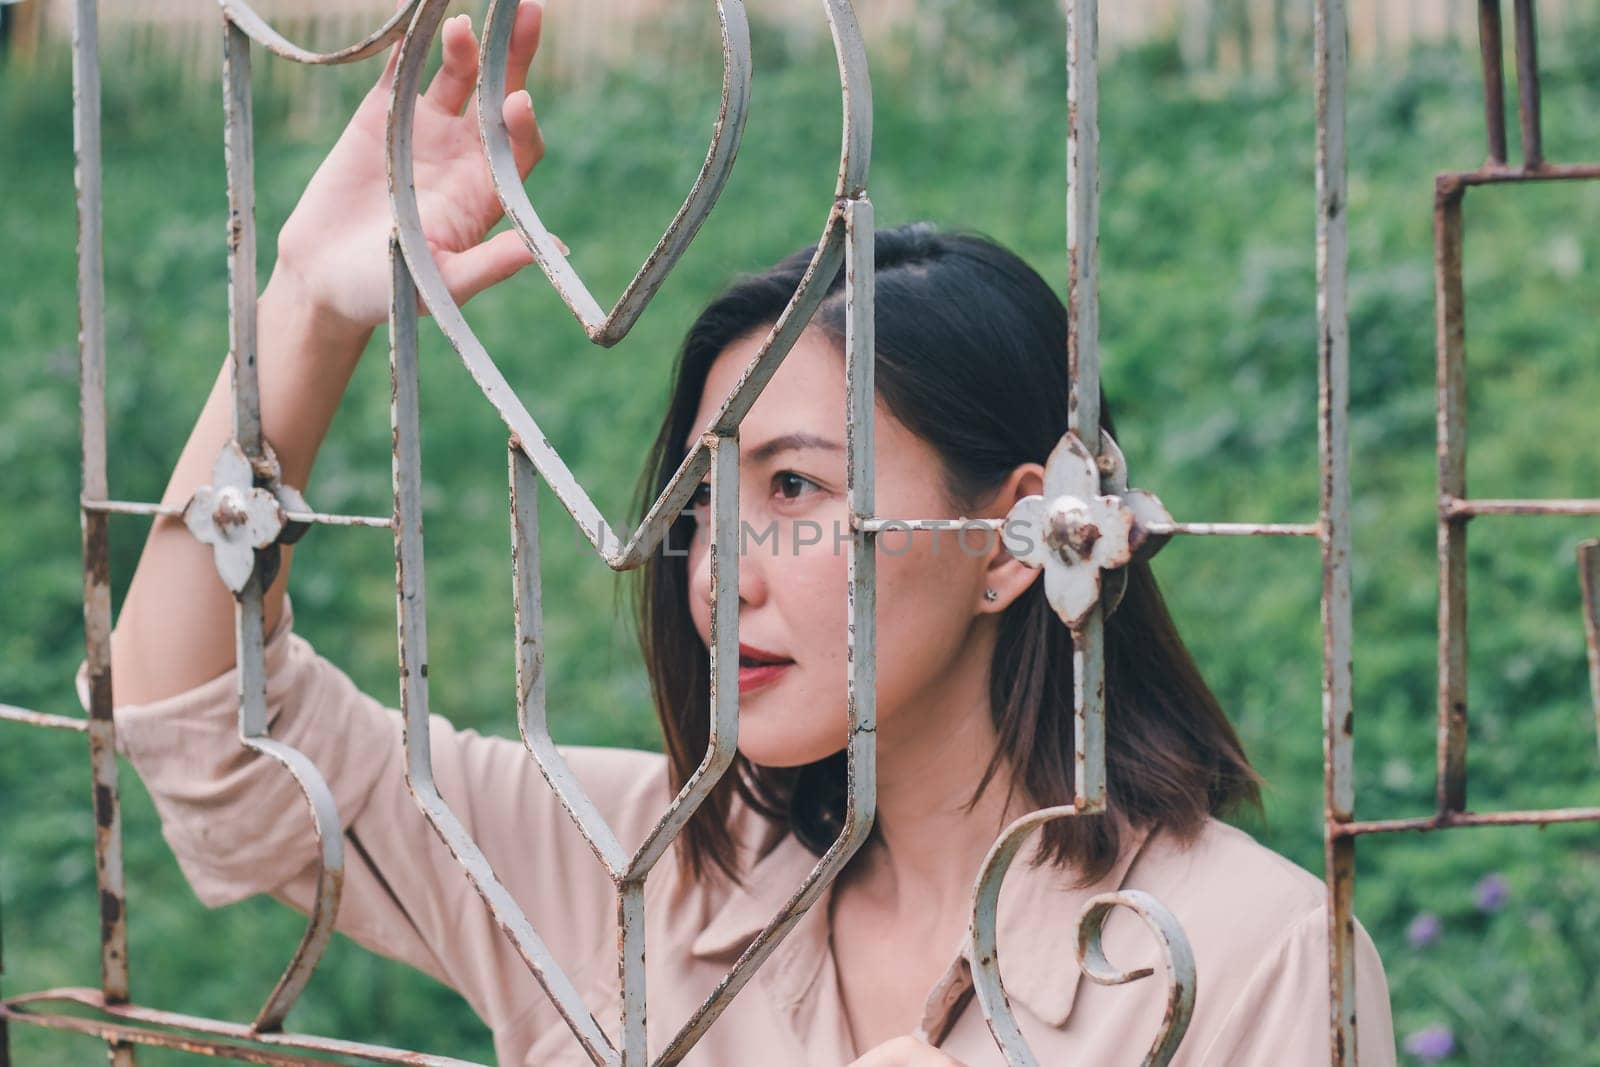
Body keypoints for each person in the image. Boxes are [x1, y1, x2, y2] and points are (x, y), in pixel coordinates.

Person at [97, 3, 1395, 1064]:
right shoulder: (628, 865)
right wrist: (306, 312)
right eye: (705, 501)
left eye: (794, 491)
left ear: (1014, 543)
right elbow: (219, 730)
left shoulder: (1243, 960)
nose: (718, 571)